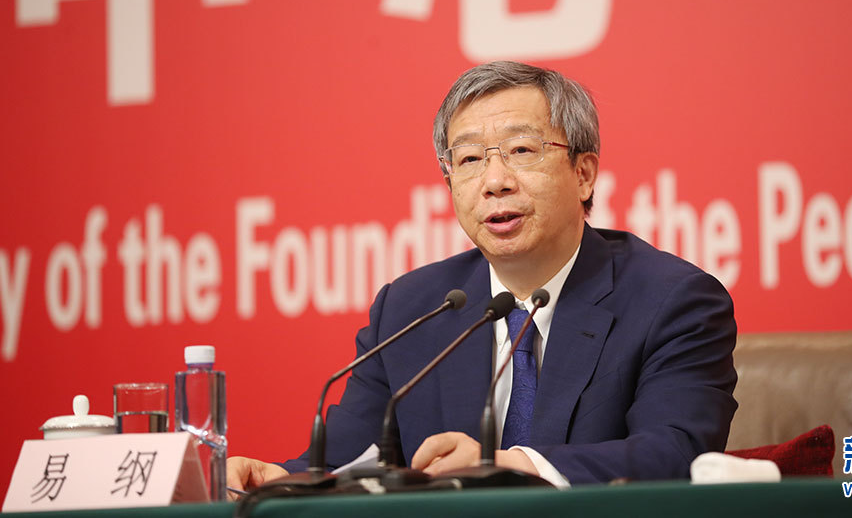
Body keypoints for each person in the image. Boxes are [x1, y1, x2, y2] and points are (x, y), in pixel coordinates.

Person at [227, 61, 737, 489]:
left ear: (584, 175)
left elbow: (677, 452)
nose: (494, 181)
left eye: (522, 151)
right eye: (469, 159)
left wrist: (507, 466)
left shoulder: (672, 301)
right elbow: (349, 458)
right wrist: (278, 478)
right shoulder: (411, 309)